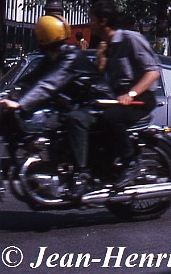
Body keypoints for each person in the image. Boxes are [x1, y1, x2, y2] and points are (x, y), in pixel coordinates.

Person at [0, 15, 108, 196]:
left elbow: (49, 84)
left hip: (94, 103)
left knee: (74, 120)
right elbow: (31, 80)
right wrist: (10, 94)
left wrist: (20, 104)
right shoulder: (51, 57)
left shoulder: (70, 57)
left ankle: (82, 175)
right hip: (73, 104)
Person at [89, 0, 162, 189]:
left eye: (93, 19)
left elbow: (153, 71)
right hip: (119, 98)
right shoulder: (108, 45)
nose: (90, 24)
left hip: (140, 98)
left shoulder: (130, 39)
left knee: (111, 118)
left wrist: (131, 93)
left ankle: (131, 161)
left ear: (103, 21)